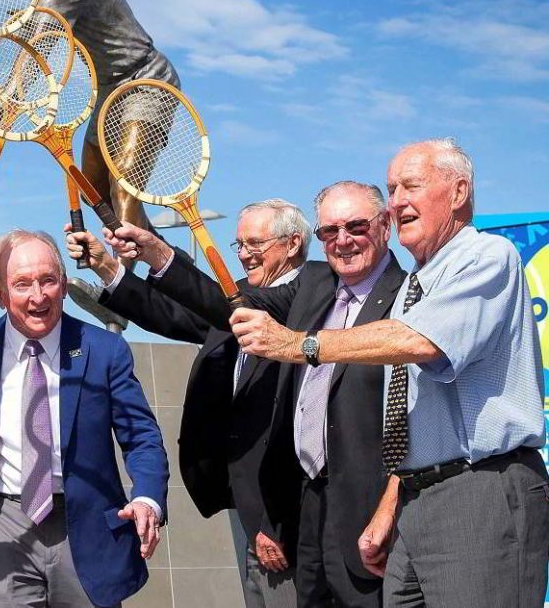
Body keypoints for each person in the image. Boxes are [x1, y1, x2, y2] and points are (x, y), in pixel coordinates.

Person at [232, 139, 549, 607]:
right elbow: (409, 415)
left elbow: (418, 341)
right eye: (392, 187)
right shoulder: (414, 288)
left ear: (459, 192)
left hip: (479, 490)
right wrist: (388, 510)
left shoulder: (487, 257)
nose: (398, 199)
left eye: (411, 186)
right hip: (415, 502)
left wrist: (301, 344)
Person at [106, 181, 406, 607]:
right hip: (302, 513)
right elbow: (220, 306)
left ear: (385, 225)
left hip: (369, 518)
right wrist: (152, 256)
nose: (342, 240)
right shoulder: (316, 291)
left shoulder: (409, 297)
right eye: (330, 231)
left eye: (355, 226)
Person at [65, 199, 310, 608]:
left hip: (288, 514)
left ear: (293, 244)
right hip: (243, 503)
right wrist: (106, 267)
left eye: (255, 243)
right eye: (239, 245)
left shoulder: (315, 292)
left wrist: (159, 254)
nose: (246, 253)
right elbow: (171, 314)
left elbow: (225, 308)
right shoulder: (243, 296)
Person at [0, 230, 168, 607]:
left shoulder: (105, 350)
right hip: (3, 521)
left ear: (63, 286)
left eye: (48, 281)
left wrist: (147, 497)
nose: (38, 296)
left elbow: (141, 435)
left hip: (87, 523)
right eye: (22, 284)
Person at [0, 0, 180, 242]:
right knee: (93, 191)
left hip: (145, 81)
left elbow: (40, 48)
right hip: (108, 89)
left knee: (124, 190)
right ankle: (173, 267)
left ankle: (126, 293)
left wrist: (1, 107)